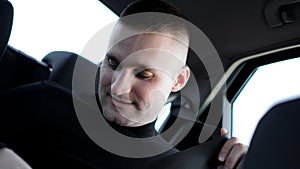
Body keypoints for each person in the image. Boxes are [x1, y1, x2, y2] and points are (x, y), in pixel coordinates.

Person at [0, 0, 247, 169]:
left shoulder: (181, 163)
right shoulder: (47, 102)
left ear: (178, 80)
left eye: (144, 75)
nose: (118, 88)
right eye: (112, 63)